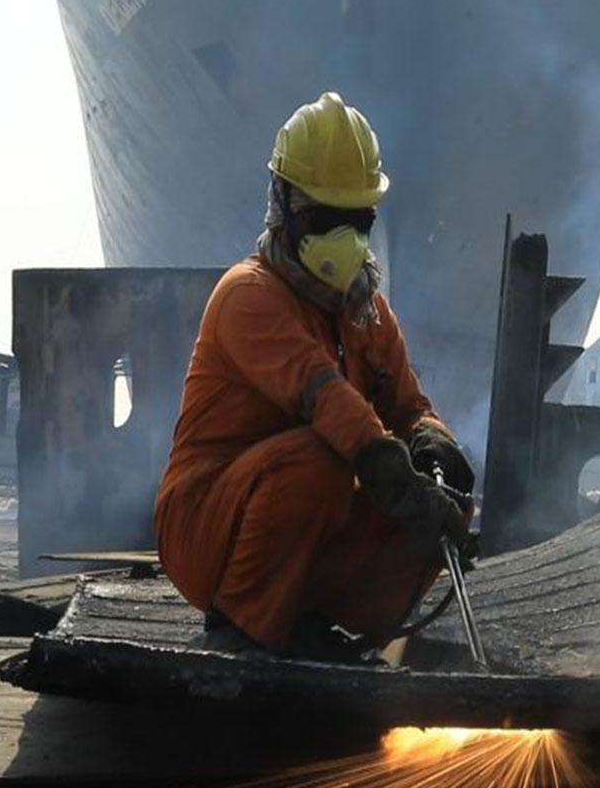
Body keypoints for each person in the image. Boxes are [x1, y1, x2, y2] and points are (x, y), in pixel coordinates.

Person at [155, 91, 474, 658]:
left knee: (442, 496)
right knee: (325, 457)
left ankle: (320, 622)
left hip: (303, 527)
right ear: (284, 206)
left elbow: (409, 405)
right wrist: (391, 469)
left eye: (358, 221)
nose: (345, 241)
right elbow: (327, 400)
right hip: (206, 527)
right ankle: (242, 624)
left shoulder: (365, 313)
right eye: (326, 220)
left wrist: (433, 444)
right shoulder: (247, 296)